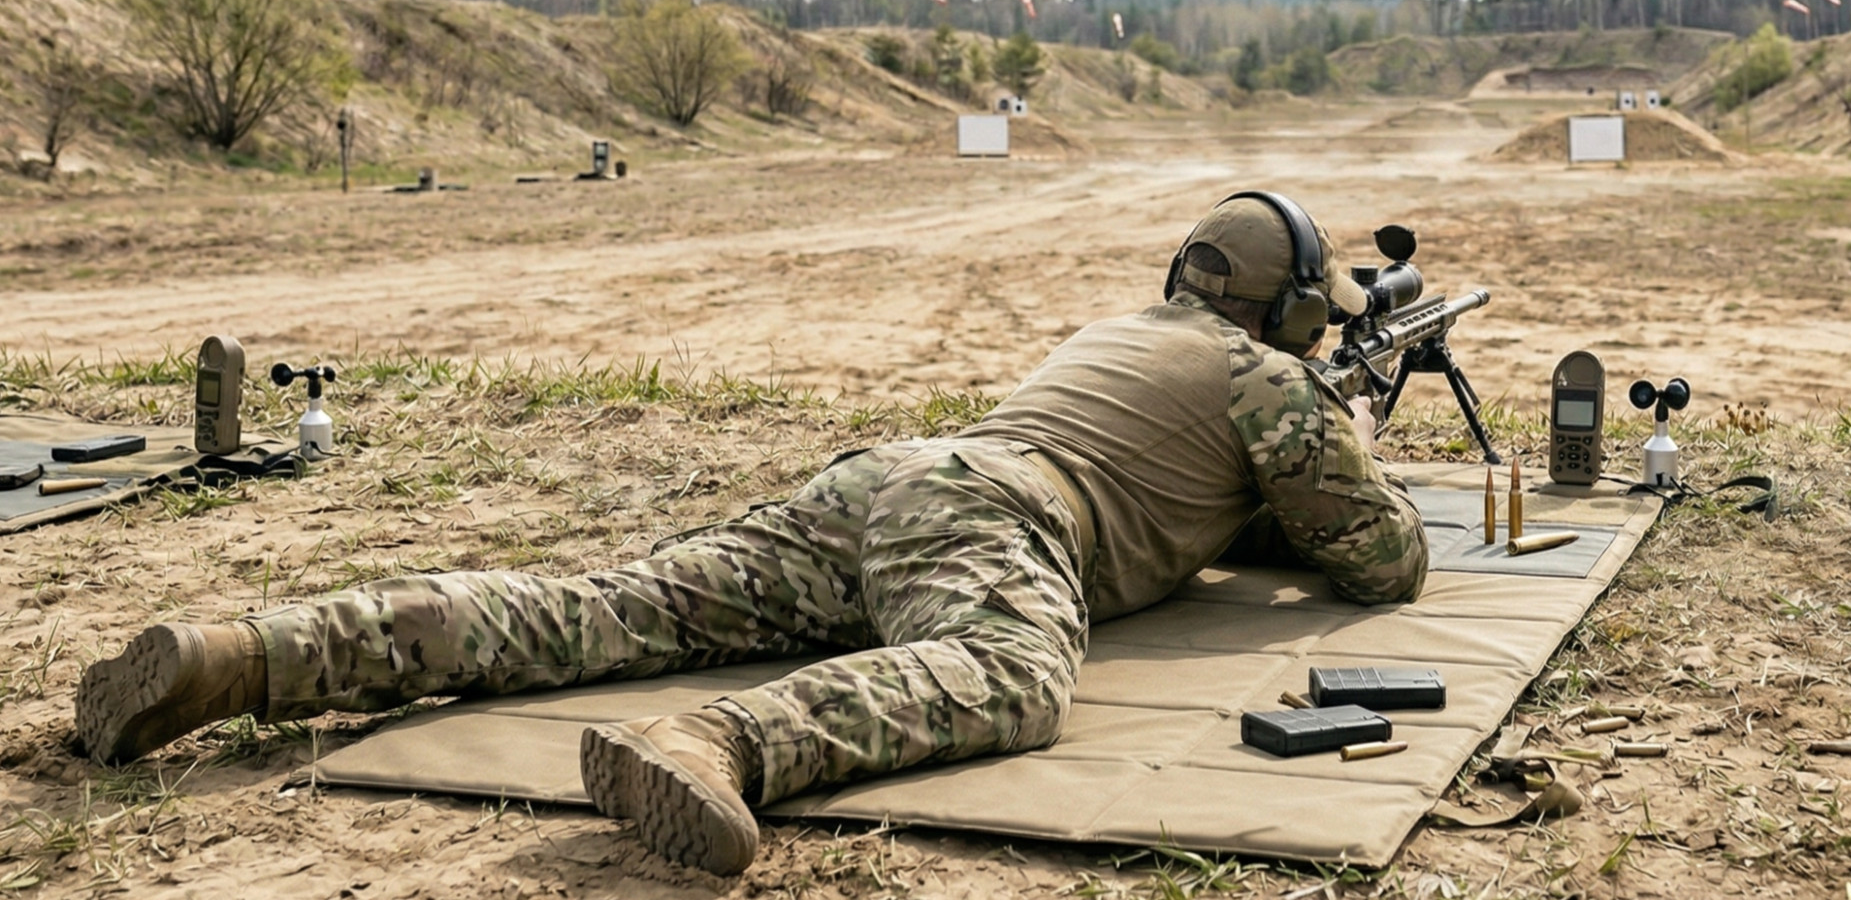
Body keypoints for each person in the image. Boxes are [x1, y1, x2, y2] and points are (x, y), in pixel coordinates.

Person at [76, 191, 1428, 876]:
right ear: (1293, 309)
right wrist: (1346, 429)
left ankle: (248, 655)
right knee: (1012, 678)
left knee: (606, 608)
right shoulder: (1272, 383)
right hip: (1002, 516)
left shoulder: (1119, 331)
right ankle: (721, 741)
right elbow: (1379, 561)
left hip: (888, 482)